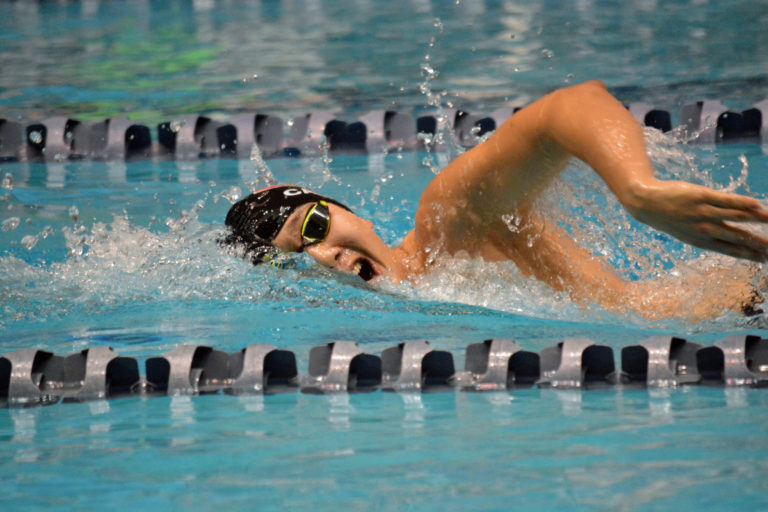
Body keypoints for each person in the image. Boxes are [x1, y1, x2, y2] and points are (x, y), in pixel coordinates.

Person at [224, 81, 768, 320]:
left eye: (314, 227)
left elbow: (569, 106)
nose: (323, 256)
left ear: (348, 211)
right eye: (293, 258)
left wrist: (638, 192)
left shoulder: (446, 228)